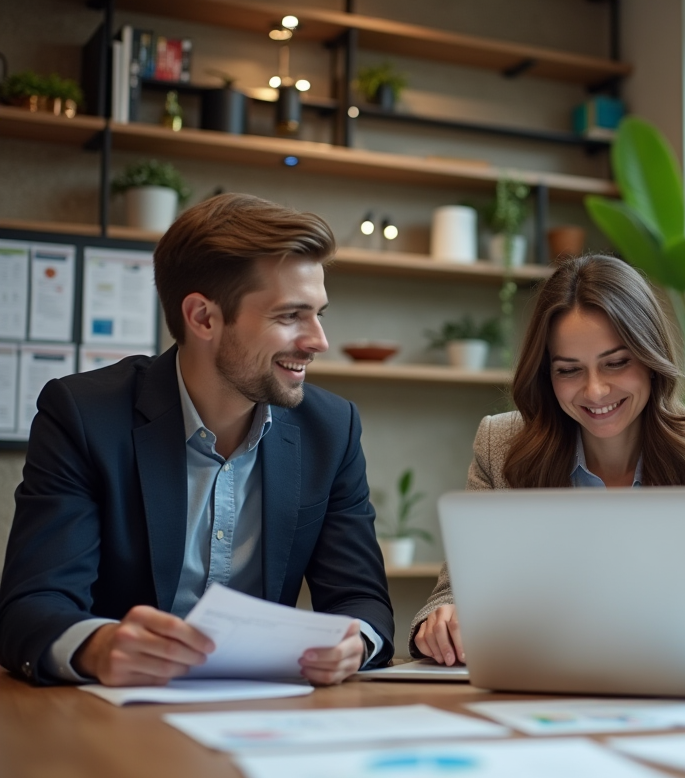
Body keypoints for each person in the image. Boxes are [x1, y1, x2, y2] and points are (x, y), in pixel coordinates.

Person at [0, 193, 395, 687]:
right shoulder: (83, 416)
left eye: (319, 313)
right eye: (290, 316)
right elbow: (30, 607)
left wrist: (354, 644)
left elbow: (362, 601)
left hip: (267, 717)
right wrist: (98, 646)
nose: (318, 340)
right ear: (203, 317)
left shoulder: (331, 429)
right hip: (114, 719)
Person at [410, 255, 685, 666]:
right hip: (534, 697)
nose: (596, 390)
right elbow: (449, 596)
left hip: (665, 693)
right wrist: (442, 622)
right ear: (546, 376)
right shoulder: (500, 444)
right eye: (569, 370)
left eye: (616, 363)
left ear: (650, 357)